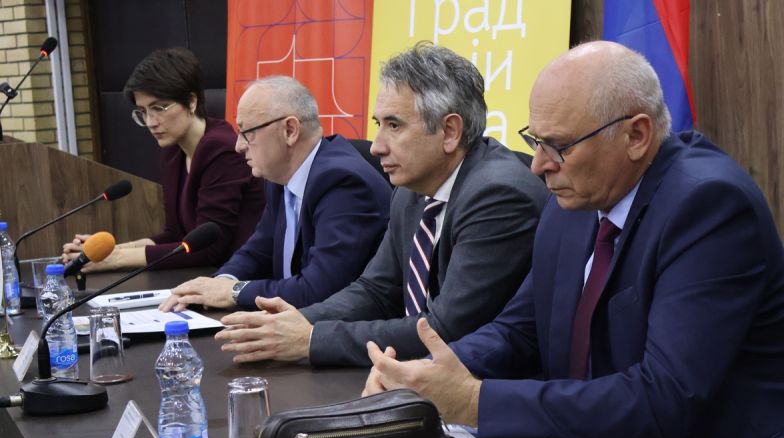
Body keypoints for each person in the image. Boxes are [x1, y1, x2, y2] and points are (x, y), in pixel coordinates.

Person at [363, 41, 784, 438]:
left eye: (558, 146)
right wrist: (429, 373)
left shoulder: (708, 208)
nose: (537, 166)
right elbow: (522, 328)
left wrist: (476, 401)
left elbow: (665, 399)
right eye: (535, 141)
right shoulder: (576, 198)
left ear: (636, 136)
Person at [213, 42, 549, 366]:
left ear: (449, 131)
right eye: (379, 124)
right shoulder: (412, 188)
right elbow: (375, 290)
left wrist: (312, 339)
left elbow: (444, 330)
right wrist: (296, 322)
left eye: (394, 125)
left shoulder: (498, 195)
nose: (376, 147)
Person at [158, 76, 392, 311]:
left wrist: (233, 292)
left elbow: (319, 290)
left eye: (247, 132)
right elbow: (257, 251)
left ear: (290, 130)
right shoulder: (279, 177)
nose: (238, 146)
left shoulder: (342, 184)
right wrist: (220, 283)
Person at [62, 47, 264, 270]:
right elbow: (175, 235)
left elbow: (208, 249)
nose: (151, 122)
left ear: (191, 101)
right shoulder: (173, 151)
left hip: (242, 277)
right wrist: (106, 251)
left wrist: (115, 259)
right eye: (143, 112)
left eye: (159, 108)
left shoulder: (221, 149)